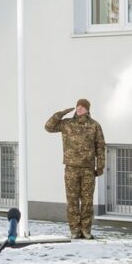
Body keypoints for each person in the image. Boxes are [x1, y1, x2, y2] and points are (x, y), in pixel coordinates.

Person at [45, 100, 105, 239]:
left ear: (87, 110)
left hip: (88, 169)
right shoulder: (67, 124)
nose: (79, 108)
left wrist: (100, 166)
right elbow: (48, 127)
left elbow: (100, 147)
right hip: (71, 168)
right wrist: (60, 113)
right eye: (78, 106)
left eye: (82, 107)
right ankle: (74, 230)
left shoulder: (94, 126)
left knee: (87, 201)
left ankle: (86, 230)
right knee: (72, 201)